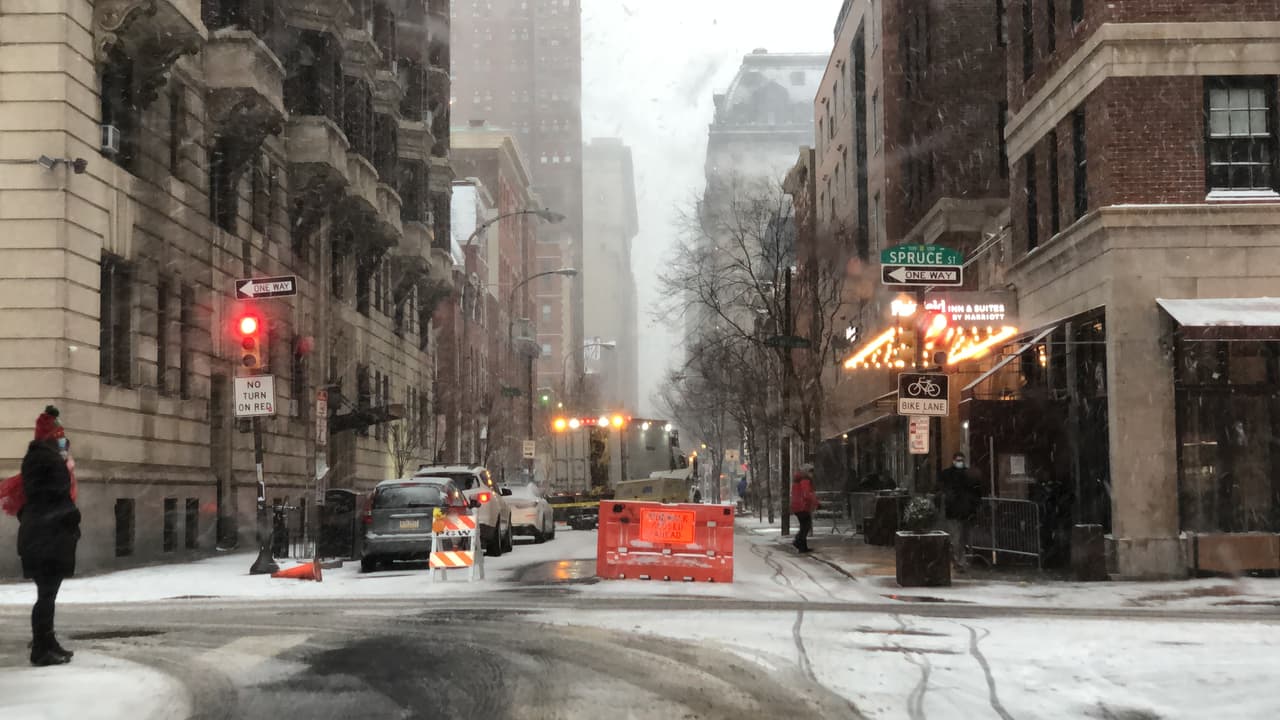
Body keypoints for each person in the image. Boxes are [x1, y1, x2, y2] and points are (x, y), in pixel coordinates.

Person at [18, 406, 81, 666]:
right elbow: (53, 495)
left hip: (44, 534)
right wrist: (69, 516)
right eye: (59, 436)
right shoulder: (44, 459)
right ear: (51, 437)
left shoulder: (40, 458)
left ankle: (47, 641)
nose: (62, 441)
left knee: (48, 594)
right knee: (46, 595)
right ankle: (41, 648)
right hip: (46, 536)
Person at [939, 452, 981, 571]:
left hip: (963, 512)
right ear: (953, 460)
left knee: (962, 538)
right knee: (957, 538)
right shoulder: (949, 474)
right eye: (958, 460)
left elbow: (975, 492)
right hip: (956, 512)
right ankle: (959, 560)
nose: (960, 462)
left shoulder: (965, 475)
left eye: (961, 460)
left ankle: (959, 560)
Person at [789, 469, 818, 553]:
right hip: (803, 506)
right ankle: (797, 542)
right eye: (811, 472)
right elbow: (807, 494)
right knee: (806, 527)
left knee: (804, 526)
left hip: (797, 506)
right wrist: (816, 503)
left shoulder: (797, 481)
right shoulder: (805, 481)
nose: (812, 475)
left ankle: (803, 547)